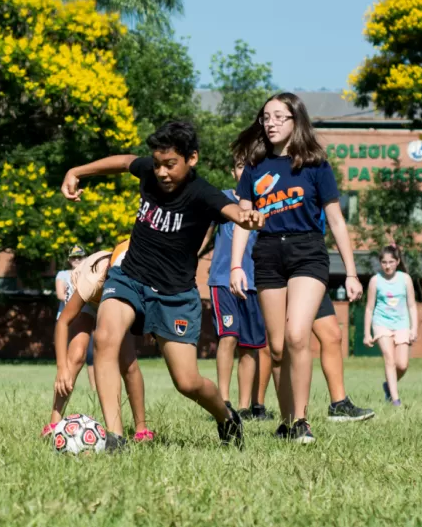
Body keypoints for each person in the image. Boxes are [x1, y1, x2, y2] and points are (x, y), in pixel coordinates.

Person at [62, 121, 263, 452]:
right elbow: (125, 161)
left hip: (174, 296)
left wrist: (247, 217)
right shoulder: (150, 173)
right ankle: (115, 437)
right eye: (157, 164)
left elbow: (231, 210)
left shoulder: (202, 193)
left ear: (191, 159)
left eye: (171, 164)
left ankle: (226, 416)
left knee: (187, 382)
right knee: (105, 339)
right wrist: (77, 170)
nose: (162, 172)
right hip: (130, 276)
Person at [230, 93, 362, 445]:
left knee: (297, 335)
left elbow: (335, 219)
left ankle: (302, 420)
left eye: (278, 117)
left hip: (307, 251)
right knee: (275, 349)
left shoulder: (315, 164)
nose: (269, 123)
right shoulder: (255, 166)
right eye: (265, 118)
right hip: (268, 254)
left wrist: (351, 272)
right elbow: (244, 220)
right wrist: (234, 266)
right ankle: (288, 423)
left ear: (294, 121)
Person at [45, 240, 153, 442]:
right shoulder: (92, 278)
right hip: (87, 298)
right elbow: (63, 323)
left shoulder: (138, 275)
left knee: (128, 362)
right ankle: (54, 422)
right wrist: (61, 367)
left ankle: (141, 429)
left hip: (116, 300)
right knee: (76, 356)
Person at [205, 160, 273, 420]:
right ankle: (222, 402)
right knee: (229, 336)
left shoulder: (267, 203)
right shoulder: (223, 199)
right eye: (238, 166)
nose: (243, 171)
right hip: (223, 279)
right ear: (232, 171)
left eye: (249, 166)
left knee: (250, 346)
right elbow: (205, 232)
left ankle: (244, 407)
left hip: (256, 283)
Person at [364, 245, 418, 407]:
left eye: (391, 262)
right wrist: (367, 333)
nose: (387, 266)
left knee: (402, 364)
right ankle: (396, 401)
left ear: (398, 262)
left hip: (402, 324)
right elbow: (369, 308)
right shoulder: (375, 281)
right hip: (381, 323)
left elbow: (412, 305)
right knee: (389, 359)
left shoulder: (405, 279)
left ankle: (388, 386)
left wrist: (413, 328)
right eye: (384, 262)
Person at [314, 294, 374, 422]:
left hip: (308, 277)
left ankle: (339, 405)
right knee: (278, 347)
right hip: (275, 279)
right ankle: (260, 407)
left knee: (332, 336)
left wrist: (351, 275)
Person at [54, 244, 96, 392]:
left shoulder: (90, 274)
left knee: (90, 355)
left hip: (87, 315)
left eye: (80, 256)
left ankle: (93, 389)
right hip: (67, 318)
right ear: (69, 260)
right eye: (74, 257)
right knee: (69, 357)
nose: (77, 259)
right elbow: (60, 295)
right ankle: (65, 385)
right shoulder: (63, 274)